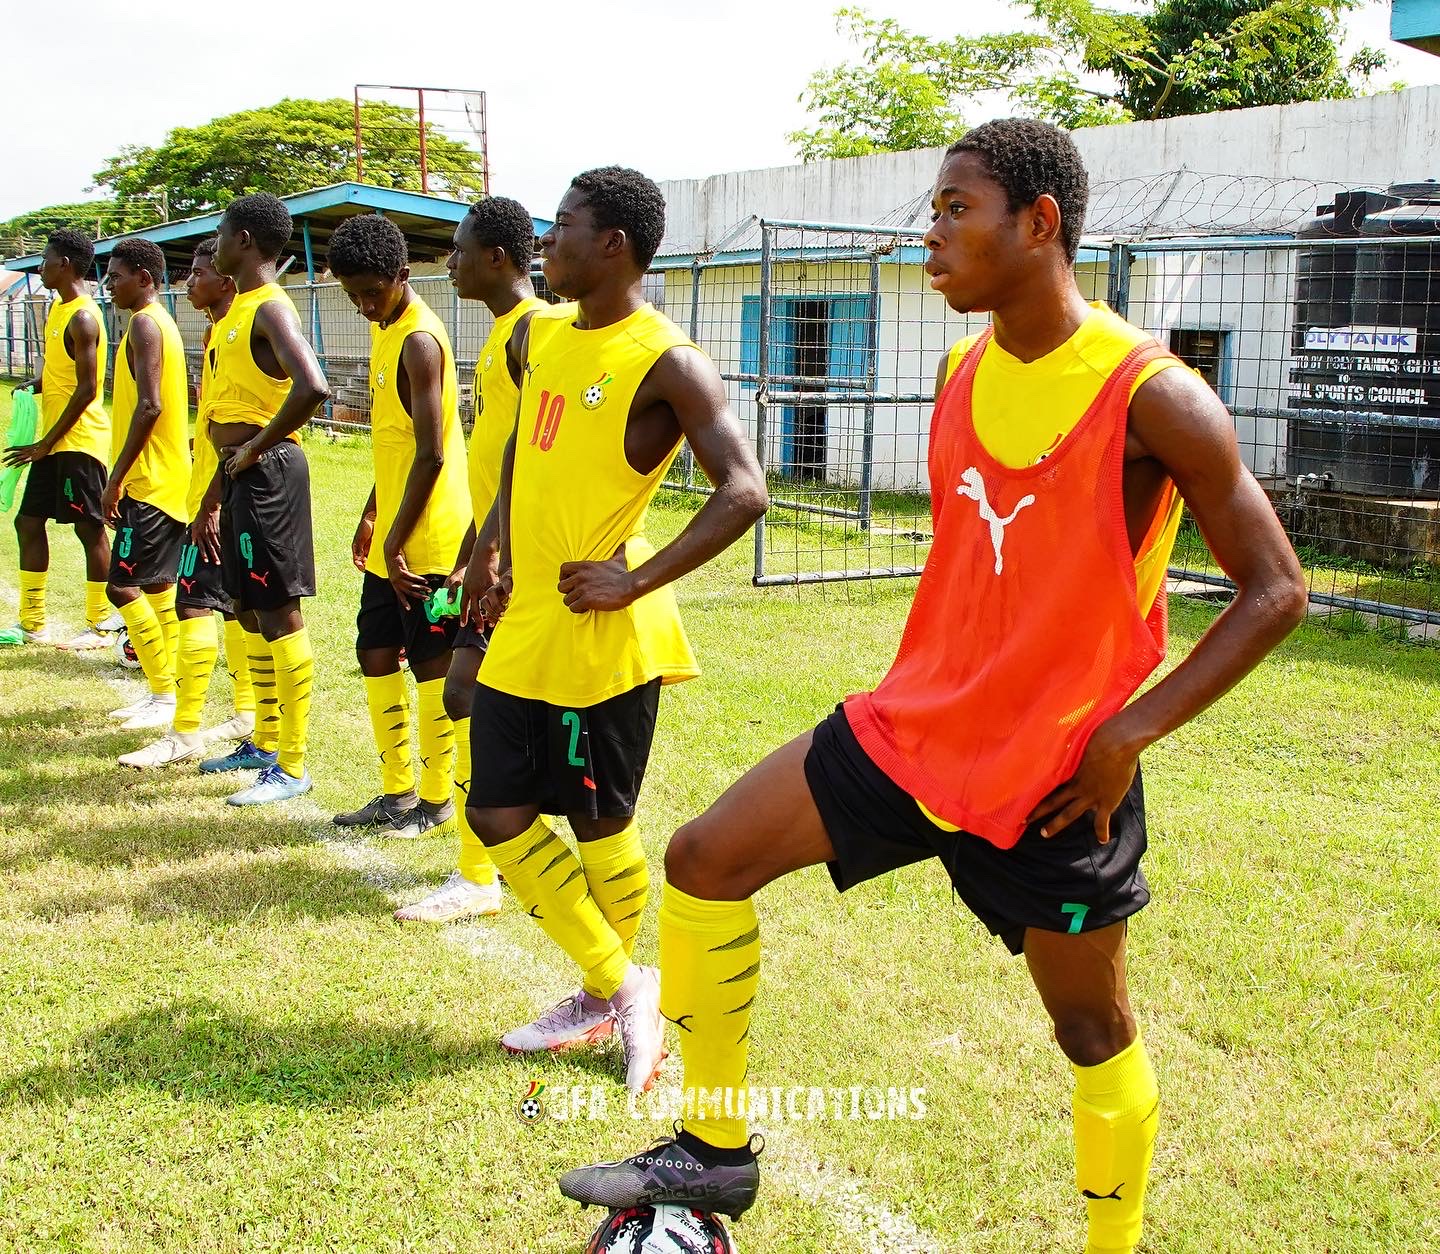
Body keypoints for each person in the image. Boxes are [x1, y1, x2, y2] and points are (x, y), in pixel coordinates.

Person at [557, 119, 1309, 1252]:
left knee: (1092, 1030)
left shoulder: (1155, 395)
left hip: (1056, 775)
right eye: (933, 210)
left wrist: (1127, 736)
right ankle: (713, 1159)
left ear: (1038, 223)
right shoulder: (962, 369)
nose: (931, 234)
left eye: (956, 209)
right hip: (913, 733)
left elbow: (1275, 590)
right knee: (704, 860)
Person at [465, 167, 767, 1093]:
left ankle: (612, 992)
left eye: (562, 229)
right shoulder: (543, 337)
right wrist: (490, 546)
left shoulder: (667, 359)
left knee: (603, 826)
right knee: (495, 810)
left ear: (615, 248)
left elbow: (746, 489)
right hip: (527, 620)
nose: (546, 245)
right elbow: (524, 443)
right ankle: (618, 983)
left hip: (607, 633)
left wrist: (632, 579)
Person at [395, 195, 550, 925]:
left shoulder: (533, 333)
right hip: (488, 549)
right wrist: (469, 553)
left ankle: (486, 866)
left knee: (472, 698)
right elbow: (492, 462)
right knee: (469, 697)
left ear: (497, 257)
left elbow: (535, 462)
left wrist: (496, 553)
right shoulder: (499, 336)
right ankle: (487, 865)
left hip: (521, 559)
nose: (448, 263)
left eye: (458, 250)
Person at [327, 212, 470, 839]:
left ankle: (437, 800)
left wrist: (394, 533)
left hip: (430, 540)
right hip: (395, 536)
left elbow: (432, 452)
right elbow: (394, 442)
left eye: (371, 292)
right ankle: (395, 790)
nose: (362, 305)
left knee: (432, 665)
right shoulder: (385, 329)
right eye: (351, 294)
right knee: (376, 651)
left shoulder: (418, 340)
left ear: (402, 276)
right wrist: (370, 513)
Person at [203, 192, 329, 805]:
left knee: (278, 609)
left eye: (223, 232)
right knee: (247, 608)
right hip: (238, 473)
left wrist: (254, 450)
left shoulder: (272, 309)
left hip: (268, 471)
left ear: (246, 238)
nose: (217, 243)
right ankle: (264, 740)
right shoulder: (237, 309)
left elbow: (313, 387)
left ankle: (294, 763)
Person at [120, 236, 257, 769]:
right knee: (231, 609)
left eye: (199, 271)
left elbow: (257, 419)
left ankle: (183, 725)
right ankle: (245, 714)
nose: (190, 281)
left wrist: (214, 499)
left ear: (226, 279)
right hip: (206, 488)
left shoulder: (245, 322)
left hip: (218, 494)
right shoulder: (217, 331)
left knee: (196, 602)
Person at [95, 238, 191, 737]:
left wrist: (115, 479)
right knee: (155, 587)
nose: (108, 284)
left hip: (152, 480)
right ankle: (165, 689)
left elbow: (150, 406)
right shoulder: (154, 324)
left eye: (116, 275)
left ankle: (163, 694)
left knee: (122, 585)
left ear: (145, 279)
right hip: (161, 477)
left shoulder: (147, 325)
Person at [5, 228, 112, 649]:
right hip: (54, 441)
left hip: (78, 441)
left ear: (65, 264)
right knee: (28, 522)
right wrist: (35, 384)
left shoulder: (84, 315)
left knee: (90, 530)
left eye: (46, 259)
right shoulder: (57, 310)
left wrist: (45, 442)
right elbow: (63, 375)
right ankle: (33, 622)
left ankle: (101, 623)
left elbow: (89, 388)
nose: (40, 266)